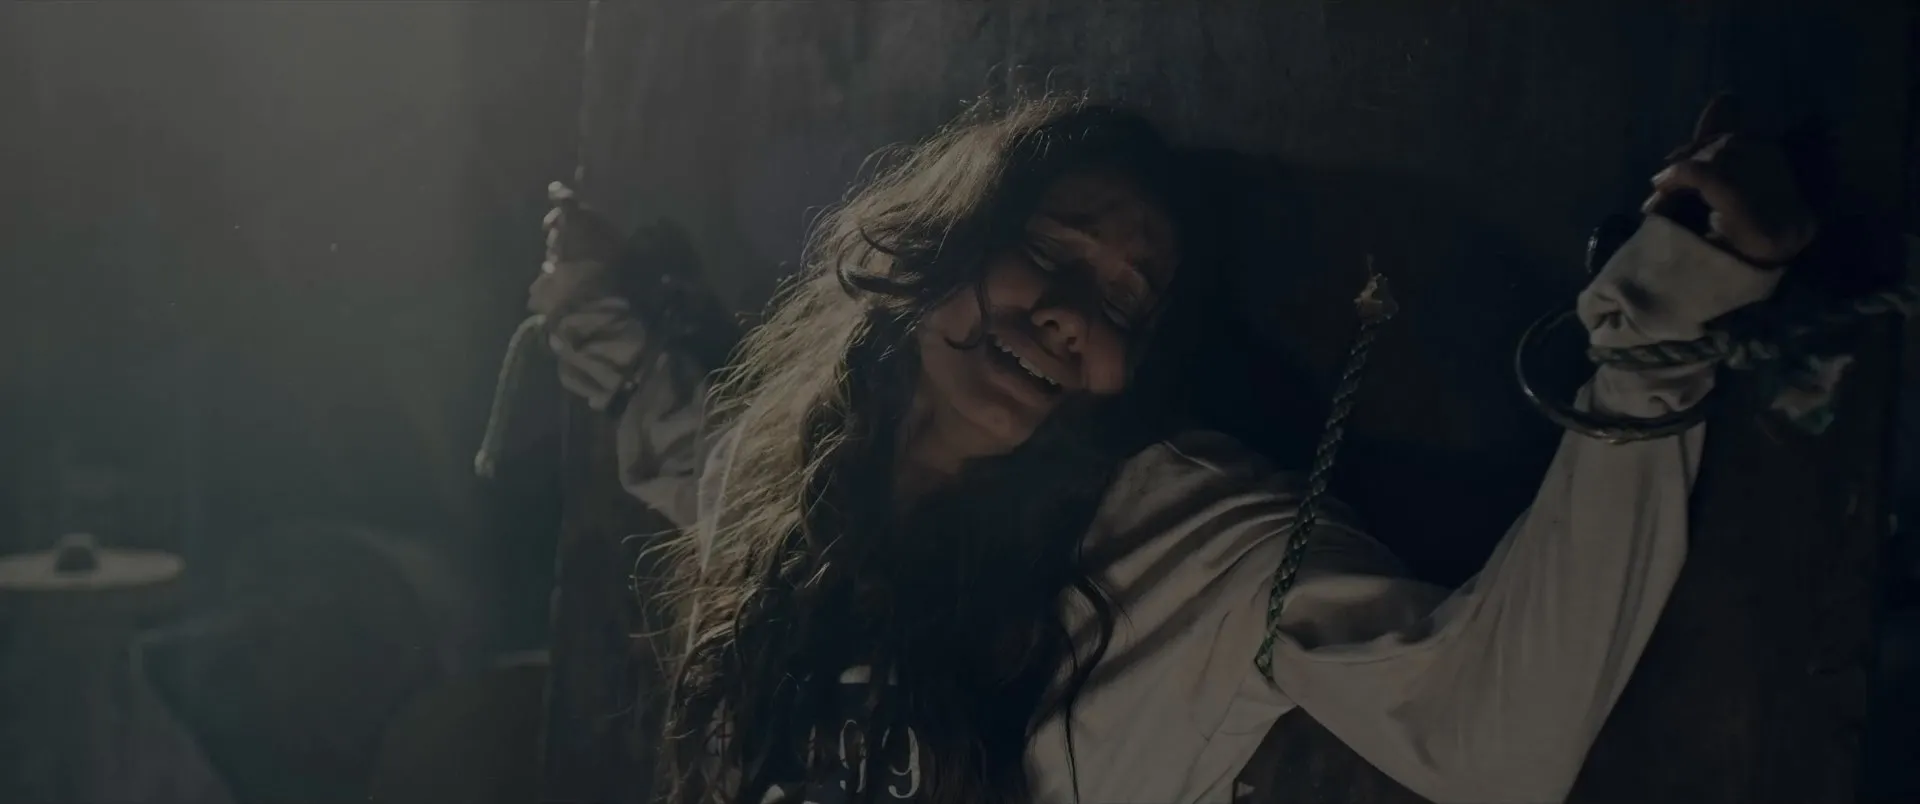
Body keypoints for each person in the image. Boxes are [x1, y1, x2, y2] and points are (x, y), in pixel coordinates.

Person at [528, 96, 1815, 804]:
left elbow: (1494, 736)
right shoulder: (788, 484)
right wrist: (586, 306)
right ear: (939, 253)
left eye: (1124, 304)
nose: (1070, 316)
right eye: (1049, 251)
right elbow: (681, 445)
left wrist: (1663, 325)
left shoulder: (1186, 547)